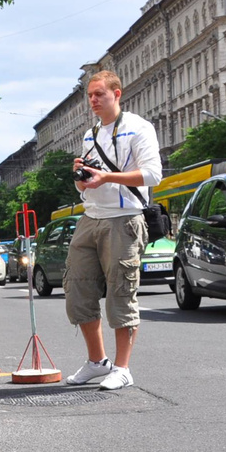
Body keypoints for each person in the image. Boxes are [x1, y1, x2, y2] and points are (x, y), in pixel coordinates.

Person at [63, 70, 162, 392]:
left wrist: (106, 178)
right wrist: (82, 178)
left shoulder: (138, 127)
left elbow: (151, 175)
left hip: (124, 219)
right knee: (77, 290)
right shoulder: (90, 133)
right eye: (90, 95)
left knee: (120, 293)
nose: (93, 100)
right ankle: (97, 362)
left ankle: (122, 368)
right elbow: (86, 185)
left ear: (117, 94)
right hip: (90, 217)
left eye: (99, 94)